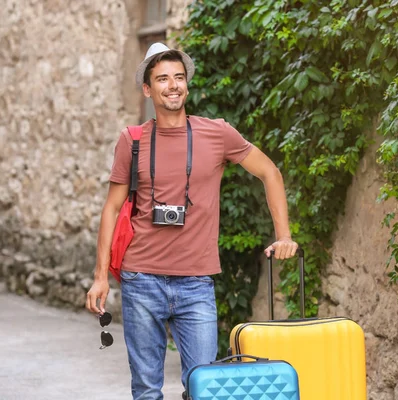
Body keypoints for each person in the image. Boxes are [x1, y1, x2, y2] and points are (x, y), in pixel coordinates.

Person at [85, 42, 299, 400]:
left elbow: (269, 172)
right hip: (141, 280)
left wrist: (284, 235)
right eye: (163, 78)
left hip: (196, 284)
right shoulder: (132, 140)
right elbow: (111, 208)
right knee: (147, 389)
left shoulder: (217, 133)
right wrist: (99, 276)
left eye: (179, 78)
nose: (173, 85)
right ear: (147, 88)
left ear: (187, 84)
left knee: (204, 389)